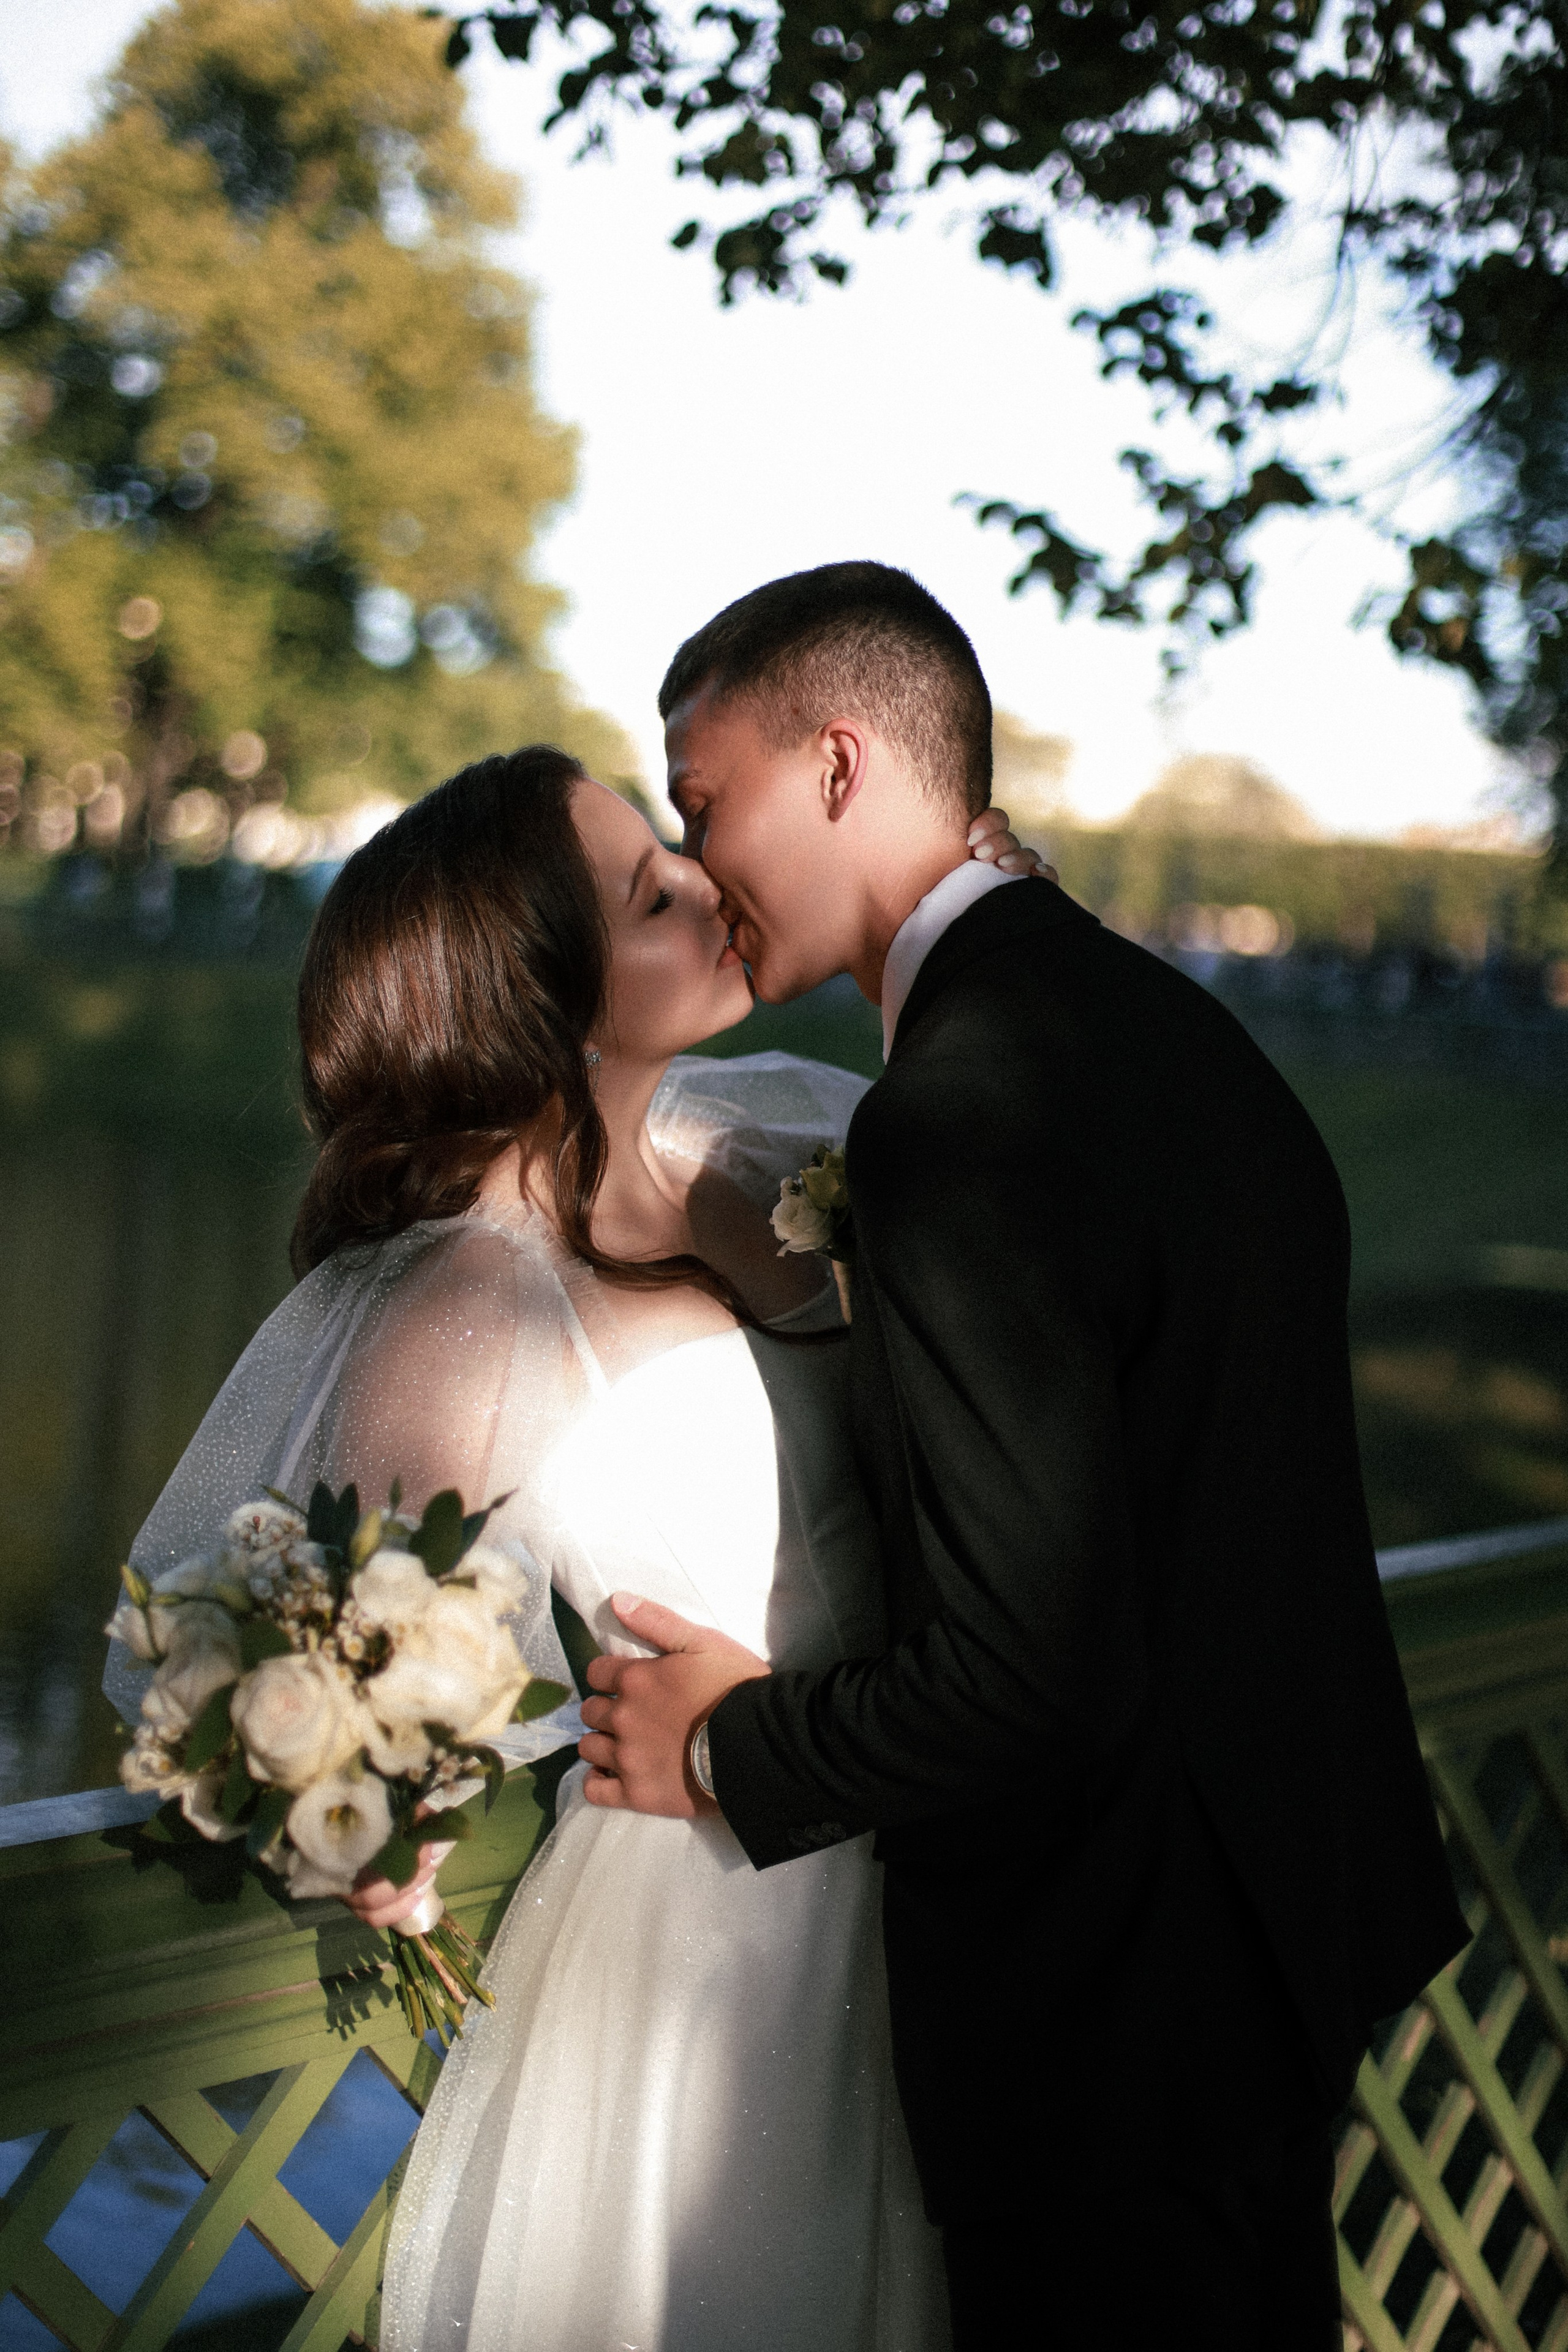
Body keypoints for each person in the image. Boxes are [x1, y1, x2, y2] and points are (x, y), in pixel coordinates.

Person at [571, 562, 1469, 2350]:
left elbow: (1027, 1677)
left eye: (704, 798)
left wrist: (734, 1741)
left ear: (838, 767)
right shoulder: (1167, 1034)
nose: (699, 858)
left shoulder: (964, 1117)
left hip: (1110, 2020)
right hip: (1276, 1944)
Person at [106, 742, 1040, 2350]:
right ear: (539, 994)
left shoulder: (760, 1162)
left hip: (909, 1868)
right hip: (712, 1933)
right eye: (648, 891)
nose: (704, 886)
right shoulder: (464, 1301)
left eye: (681, 854)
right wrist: (364, 1832)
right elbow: (328, 1648)